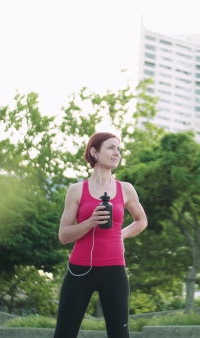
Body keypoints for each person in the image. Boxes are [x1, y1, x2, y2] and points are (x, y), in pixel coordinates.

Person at [53, 132, 148, 338]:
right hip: (79, 271)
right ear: (94, 152)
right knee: (64, 334)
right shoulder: (77, 190)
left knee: (119, 335)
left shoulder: (126, 189)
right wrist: (90, 222)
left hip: (114, 270)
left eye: (119, 149)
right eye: (111, 148)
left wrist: (121, 235)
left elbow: (142, 220)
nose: (117, 153)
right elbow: (63, 235)